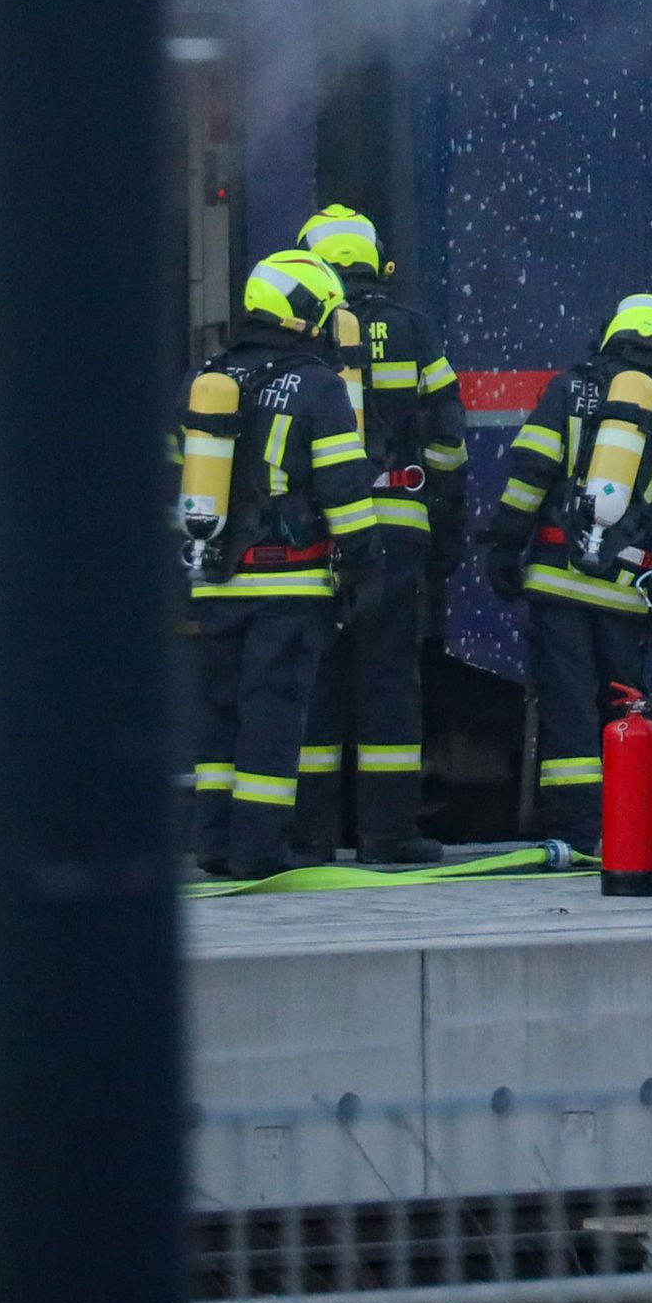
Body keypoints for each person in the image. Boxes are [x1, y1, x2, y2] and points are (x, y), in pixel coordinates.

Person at [482, 294, 652, 855]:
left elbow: (530, 475)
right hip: (624, 594)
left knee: (568, 712)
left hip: (557, 584)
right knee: (630, 708)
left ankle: (581, 833)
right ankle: (650, 829)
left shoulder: (569, 390)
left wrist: (504, 547)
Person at [177, 250, 386, 879]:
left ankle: (213, 843)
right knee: (273, 713)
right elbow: (345, 487)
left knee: (220, 714)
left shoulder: (204, 379)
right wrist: (363, 566)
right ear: (302, 317)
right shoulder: (320, 387)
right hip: (288, 582)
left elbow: (172, 481)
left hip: (213, 582)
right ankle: (260, 852)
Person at [280, 205, 466, 868]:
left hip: (321, 543)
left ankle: (307, 839)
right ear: (376, 261)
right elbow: (448, 435)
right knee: (389, 684)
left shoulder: (304, 332)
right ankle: (389, 836)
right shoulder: (414, 330)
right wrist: (446, 524)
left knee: (317, 684)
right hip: (399, 534)